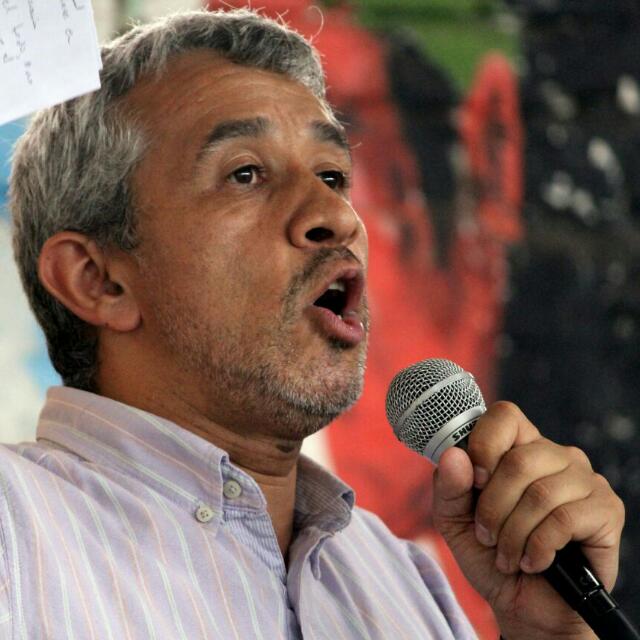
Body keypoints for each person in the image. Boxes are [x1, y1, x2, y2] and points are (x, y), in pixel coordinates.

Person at [3, 9, 624, 640]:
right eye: (246, 174)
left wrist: (554, 633)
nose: (337, 215)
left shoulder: (400, 580)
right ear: (97, 280)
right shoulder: (16, 535)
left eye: (332, 176)